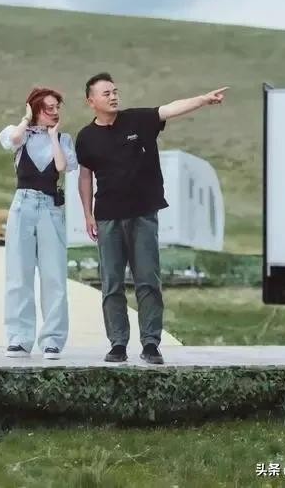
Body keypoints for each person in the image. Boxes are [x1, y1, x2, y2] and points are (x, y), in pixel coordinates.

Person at [75, 72, 228, 364]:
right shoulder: (86, 137)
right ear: (91, 101)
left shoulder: (138, 120)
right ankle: (118, 343)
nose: (113, 96)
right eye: (106, 93)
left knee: (147, 280)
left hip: (143, 213)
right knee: (111, 283)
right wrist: (87, 214)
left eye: (115, 91)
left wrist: (203, 99)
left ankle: (150, 343)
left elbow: (170, 109)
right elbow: (85, 176)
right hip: (108, 217)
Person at [0, 86, 77, 359]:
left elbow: (62, 167)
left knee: (54, 275)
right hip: (23, 205)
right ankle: (19, 338)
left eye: (57, 107)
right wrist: (26, 118)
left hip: (50, 208)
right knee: (18, 273)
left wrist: (53, 136)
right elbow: (12, 140)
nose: (54, 112)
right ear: (35, 110)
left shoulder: (64, 139)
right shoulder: (20, 134)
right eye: (48, 108)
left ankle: (52, 340)